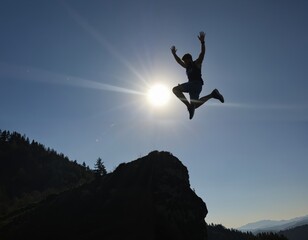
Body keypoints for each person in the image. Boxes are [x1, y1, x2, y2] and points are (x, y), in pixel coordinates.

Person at [171, 31, 224, 119]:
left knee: (175, 89)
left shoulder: (197, 63)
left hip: (196, 84)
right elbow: (179, 61)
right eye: (185, 62)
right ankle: (213, 94)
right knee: (195, 105)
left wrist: (202, 42)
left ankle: (189, 106)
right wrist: (174, 54)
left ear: (190, 59)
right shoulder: (187, 66)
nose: (185, 63)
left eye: (186, 61)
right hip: (195, 87)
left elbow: (202, 54)